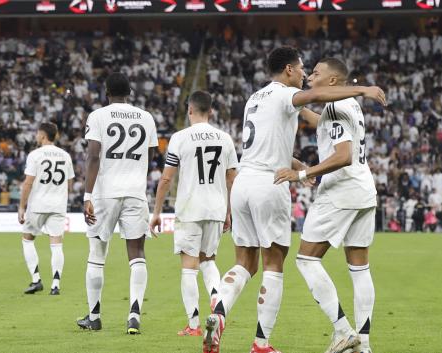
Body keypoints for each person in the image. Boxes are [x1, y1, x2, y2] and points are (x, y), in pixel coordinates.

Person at [203, 47, 386, 353]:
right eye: (304, 69)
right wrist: (363, 89)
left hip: (244, 181)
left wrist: (300, 164)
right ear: (289, 70)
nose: (306, 75)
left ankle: (218, 313)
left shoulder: (254, 99)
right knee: (276, 264)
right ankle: (263, 343)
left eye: (312, 72)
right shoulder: (291, 95)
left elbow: (277, 134)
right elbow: (312, 101)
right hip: (272, 183)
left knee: (244, 262)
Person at [274, 57, 380, 353]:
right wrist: (293, 108)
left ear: (332, 81)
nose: (310, 76)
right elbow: (323, 124)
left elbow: (343, 154)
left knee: (306, 260)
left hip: (340, 191)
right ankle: (364, 345)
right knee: (359, 269)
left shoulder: (334, 106)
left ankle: (343, 331)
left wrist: (302, 174)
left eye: (317, 73)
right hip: (363, 190)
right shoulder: (350, 106)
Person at [150, 91, 238, 337]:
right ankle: (216, 299)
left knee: (189, 268)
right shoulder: (225, 138)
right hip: (216, 207)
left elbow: (166, 178)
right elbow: (233, 179)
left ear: (190, 109)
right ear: (210, 111)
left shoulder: (179, 138)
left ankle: (194, 324)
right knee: (208, 259)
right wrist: (229, 212)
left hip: (190, 207)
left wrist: (157, 212)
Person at [77, 72, 159, 335]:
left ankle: (94, 315)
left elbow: (93, 156)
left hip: (105, 192)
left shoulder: (98, 116)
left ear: (106, 92)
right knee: (137, 253)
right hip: (135, 192)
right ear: (130, 92)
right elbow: (150, 153)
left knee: (97, 253)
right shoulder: (146, 117)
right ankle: (134, 314)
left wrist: (87, 196)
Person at [18, 122, 75, 295]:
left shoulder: (35, 155)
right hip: (58, 205)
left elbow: (28, 183)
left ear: (43, 136)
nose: (36, 137)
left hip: (38, 204)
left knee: (27, 239)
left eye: (37, 134)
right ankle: (55, 285)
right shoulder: (65, 156)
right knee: (56, 244)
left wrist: (21, 206)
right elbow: (70, 184)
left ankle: (36, 280)